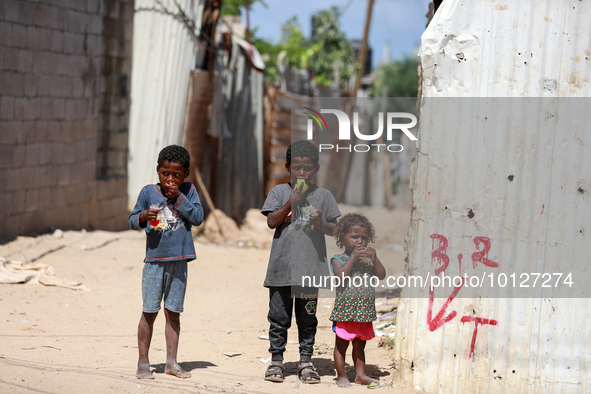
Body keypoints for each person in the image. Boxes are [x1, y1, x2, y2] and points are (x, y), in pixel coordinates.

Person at [261, 140, 341, 384]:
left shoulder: (323, 196)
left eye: (307, 168)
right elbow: (272, 222)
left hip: (310, 272)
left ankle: (306, 362)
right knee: (278, 317)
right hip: (281, 270)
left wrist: (321, 224)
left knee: (307, 318)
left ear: (315, 169)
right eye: (296, 167)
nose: (302, 173)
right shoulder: (278, 192)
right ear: (288, 167)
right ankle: (276, 361)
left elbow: (335, 230)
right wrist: (291, 202)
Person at [128, 144, 204, 380]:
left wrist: (179, 198)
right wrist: (142, 216)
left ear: (186, 175)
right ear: (158, 171)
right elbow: (132, 220)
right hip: (154, 262)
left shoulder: (189, 191)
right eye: (165, 174)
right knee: (149, 312)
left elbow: (198, 217)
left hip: (179, 262)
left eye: (177, 175)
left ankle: (171, 363)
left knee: (173, 313)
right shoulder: (148, 192)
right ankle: (143, 362)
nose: (170, 179)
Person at [329, 213, 386, 388]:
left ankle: (361, 375)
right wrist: (353, 257)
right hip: (346, 311)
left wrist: (375, 259)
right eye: (354, 237)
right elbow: (340, 277)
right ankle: (341, 375)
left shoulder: (369, 260)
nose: (360, 241)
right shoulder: (338, 259)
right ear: (342, 237)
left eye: (364, 237)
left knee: (360, 346)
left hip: (364, 311)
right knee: (341, 345)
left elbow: (382, 275)